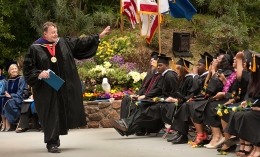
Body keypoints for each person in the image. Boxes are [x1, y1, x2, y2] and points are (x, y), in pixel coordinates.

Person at [23, 21, 110, 153]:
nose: (55, 34)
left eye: (56, 32)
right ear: (45, 34)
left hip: (64, 88)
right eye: (53, 33)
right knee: (50, 114)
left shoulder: (63, 43)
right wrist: (39, 73)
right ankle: (51, 143)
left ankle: (55, 139)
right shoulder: (35, 48)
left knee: (62, 111)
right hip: (46, 89)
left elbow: (81, 43)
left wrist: (98, 37)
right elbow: (28, 69)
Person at [110, 56, 178, 136]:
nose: (158, 67)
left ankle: (126, 126)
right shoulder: (163, 75)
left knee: (146, 110)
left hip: (168, 102)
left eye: (160, 65)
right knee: (141, 106)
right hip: (162, 100)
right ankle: (125, 126)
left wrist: (172, 99)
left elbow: (175, 91)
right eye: (158, 65)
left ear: (167, 65)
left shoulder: (170, 75)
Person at [167, 52, 213, 144]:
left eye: (199, 65)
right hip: (198, 100)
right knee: (184, 106)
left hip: (204, 101)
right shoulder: (201, 76)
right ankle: (181, 133)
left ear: (206, 66)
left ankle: (183, 134)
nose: (197, 67)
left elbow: (196, 88)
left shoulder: (205, 76)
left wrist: (195, 75)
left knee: (185, 106)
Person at [224, 51, 260, 157]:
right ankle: (244, 143)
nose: (249, 67)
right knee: (236, 113)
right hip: (254, 106)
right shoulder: (254, 79)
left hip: (258, 108)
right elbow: (250, 95)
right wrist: (246, 101)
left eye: (251, 65)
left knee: (247, 115)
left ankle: (256, 146)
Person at [120, 51, 165, 119]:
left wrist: (144, 96)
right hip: (144, 96)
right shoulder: (151, 74)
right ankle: (122, 120)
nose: (151, 63)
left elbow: (158, 90)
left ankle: (127, 122)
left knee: (132, 104)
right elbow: (144, 87)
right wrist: (137, 94)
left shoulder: (162, 76)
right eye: (151, 61)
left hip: (151, 98)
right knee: (126, 98)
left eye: (153, 61)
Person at [0, 61, 27, 132]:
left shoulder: (21, 79)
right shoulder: (8, 81)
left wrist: (11, 95)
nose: (14, 70)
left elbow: (21, 92)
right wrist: (6, 93)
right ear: (9, 71)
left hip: (18, 99)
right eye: (12, 69)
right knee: (1, 100)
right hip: (9, 98)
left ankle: (7, 123)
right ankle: (4, 122)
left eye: (15, 68)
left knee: (7, 101)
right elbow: (5, 91)